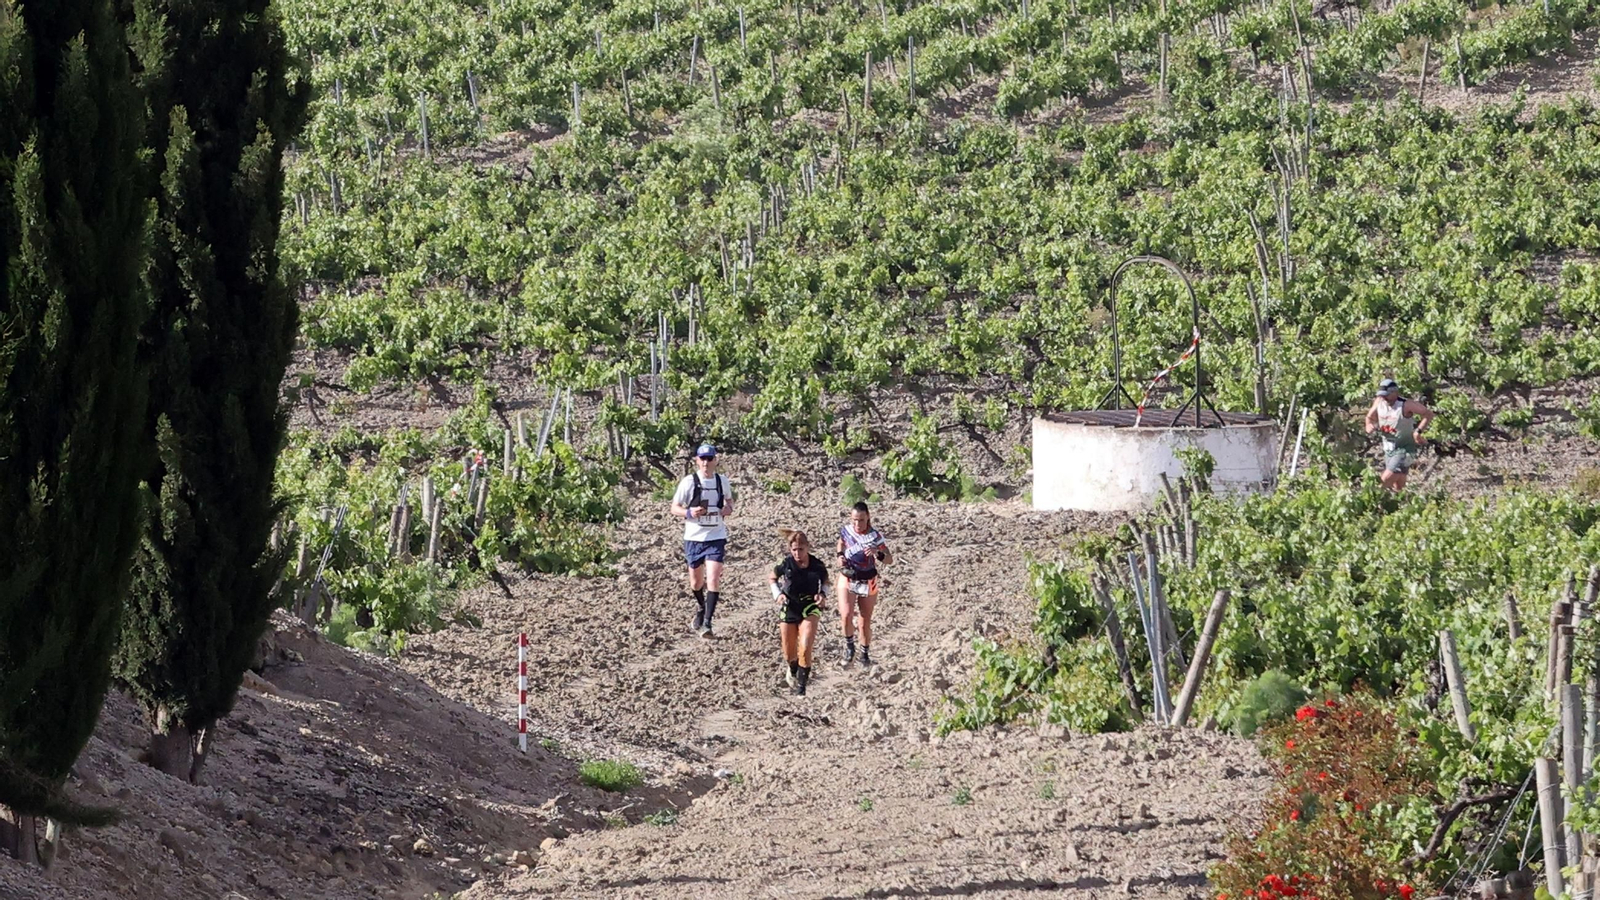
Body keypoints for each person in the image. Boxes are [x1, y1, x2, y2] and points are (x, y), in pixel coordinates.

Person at [670, 443, 734, 637]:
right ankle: (701, 606)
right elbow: (674, 507)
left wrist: (727, 509)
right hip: (694, 537)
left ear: (716, 460)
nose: (706, 462)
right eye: (702, 458)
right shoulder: (689, 482)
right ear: (697, 461)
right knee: (696, 582)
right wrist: (689, 512)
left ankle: (707, 623)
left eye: (710, 458)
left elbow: (730, 502)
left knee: (713, 578)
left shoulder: (722, 481)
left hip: (716, 536)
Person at [770, 529, 829, 695]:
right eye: (794, 549)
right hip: (789, 606)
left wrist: (823, 594)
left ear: (807, 547)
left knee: (804, 647)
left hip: (809, 606)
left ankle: (802, 689)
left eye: (801, 549)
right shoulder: (786, 564)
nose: (797, 553)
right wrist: (778, 594)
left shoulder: (817, 564)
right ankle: (793, 669)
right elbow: (772, 578)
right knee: (789, 652)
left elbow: (826, 581)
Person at [836, 501, 893, 669]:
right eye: (854, 520)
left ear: (867, 518)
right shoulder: (846, 531)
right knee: (846, 615)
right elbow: (841, 542)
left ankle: (865, 654)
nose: (857, 524)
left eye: (861, 520)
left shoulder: (875, 536)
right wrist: (840, 555)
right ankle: (849, 647)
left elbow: (890, 559)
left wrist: (878, 553)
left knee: (864, 620)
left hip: (868, 579)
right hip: (848, 576)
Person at [1364, 378, 1434, 493]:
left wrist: (1418, 432)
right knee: (1399, 484)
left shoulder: (1406, 405)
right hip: (1389, 449)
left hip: (1405, 449)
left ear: (1395, 392)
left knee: (1385, 479)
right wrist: (1369, 425)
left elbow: (1428, 414)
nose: (1384, 398)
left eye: (1386, 395)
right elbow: (1369, 417)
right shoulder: (1379, 401)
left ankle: (1373, 499)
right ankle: (1401, 503)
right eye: (1382, 395)